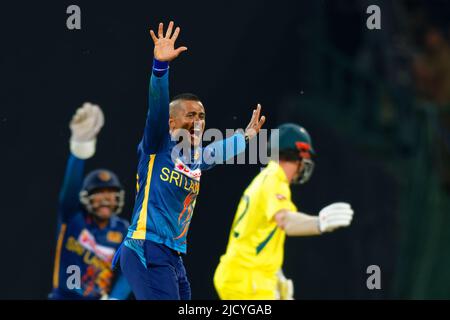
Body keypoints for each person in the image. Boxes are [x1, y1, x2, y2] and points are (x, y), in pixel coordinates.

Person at [116, 21, 266, 300]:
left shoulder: (195, 157)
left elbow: (216, 153)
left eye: (202, 116)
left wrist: (245, 137)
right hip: (145, 248)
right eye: (191, 115)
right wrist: (159, 69)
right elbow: (157, 108)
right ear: (172, 121)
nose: (198, 122)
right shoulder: (157, 143)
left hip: (173, 256)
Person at [213, 123, 354, 300]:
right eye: (305, 157)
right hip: (248, 281)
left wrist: (275, 276)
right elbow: (285, 221)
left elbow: (260, 234)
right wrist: (320, 223)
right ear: (298, 154)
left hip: (244, 277)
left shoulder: (267, 177)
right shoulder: (275, 180)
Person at [49, 103, 131, 300]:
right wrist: (79, 151)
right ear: (86, 197)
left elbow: (129, 272)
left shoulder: (123, 230)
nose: (105, 198)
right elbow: (70, 190)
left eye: (110, 193)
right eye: (98, 193)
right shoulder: (72, 218)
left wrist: (115, 298)